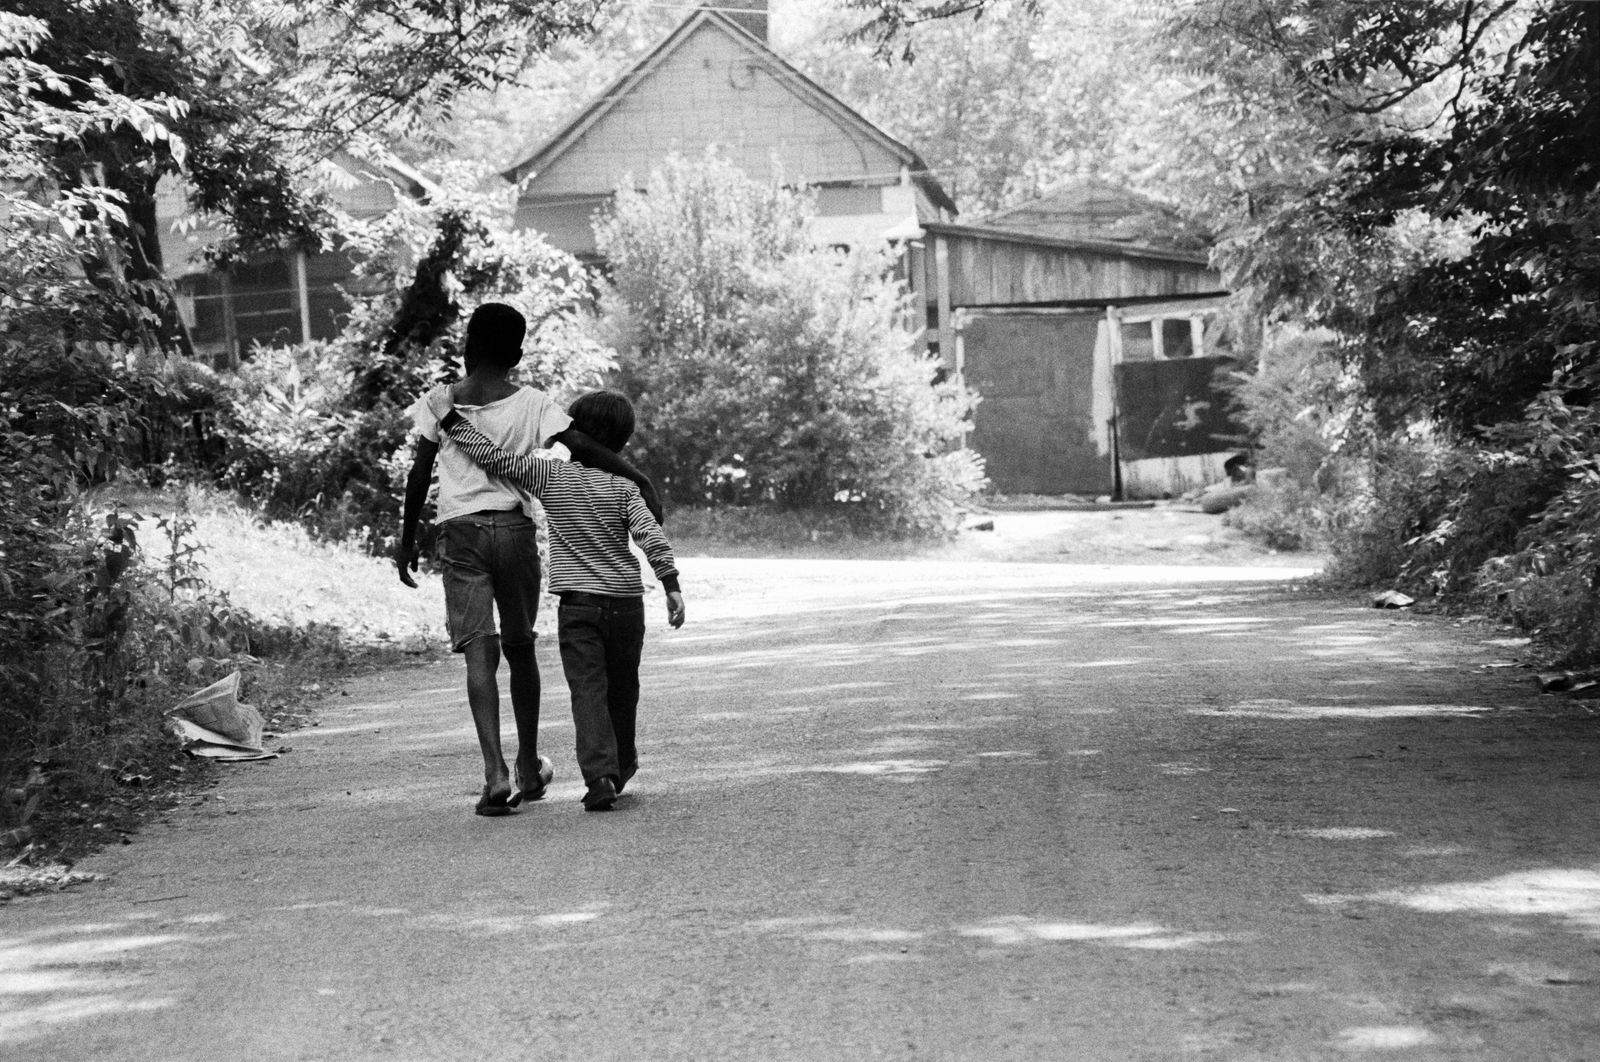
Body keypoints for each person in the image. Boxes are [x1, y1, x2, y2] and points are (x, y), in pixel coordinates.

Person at [396, 303, 663, 817]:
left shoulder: (437, 402)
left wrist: (406, 540)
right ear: (518, 355)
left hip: (460, 532)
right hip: (514, 531)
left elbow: (419, 472)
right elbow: (580, 442)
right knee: (520, 646)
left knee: (479, 649)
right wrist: (639, 479)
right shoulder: (534, 402)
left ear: (467, 345)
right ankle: (526, 764)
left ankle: (495, 773)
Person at [426, 386, 685, 812]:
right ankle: (621, 762)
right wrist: (670, 581)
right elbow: (648, 534)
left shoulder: (550, 475)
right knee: (624, 688)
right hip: (626, 606)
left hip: (579, 608)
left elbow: (494, 458)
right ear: (623, 442)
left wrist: (452, 421)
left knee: (588, 691)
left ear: (573, 433)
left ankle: (599, 774)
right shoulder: (624, 487)